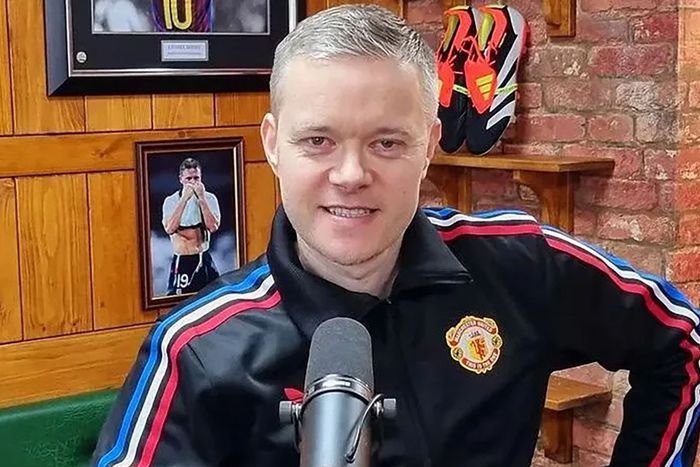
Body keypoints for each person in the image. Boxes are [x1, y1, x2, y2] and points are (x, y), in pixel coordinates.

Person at [92, 5, 700, 467]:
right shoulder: (198, 348)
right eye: (318, 141)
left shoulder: (520, 263)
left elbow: (684, 338)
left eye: (387, 142)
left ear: (429, 144)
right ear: (273, 145)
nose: (351, 175)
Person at [161, 157, 221, 296]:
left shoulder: (210, 198)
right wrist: (184, 199)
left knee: (215, 297)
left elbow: (213, 227)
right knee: (181, 300)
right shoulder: (171, 201)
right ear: (181, 179)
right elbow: (170, 229)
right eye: (189, 179)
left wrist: (202, 199)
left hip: (204, 257)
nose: (193, 182)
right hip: (183, 260)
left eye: (196, 178)